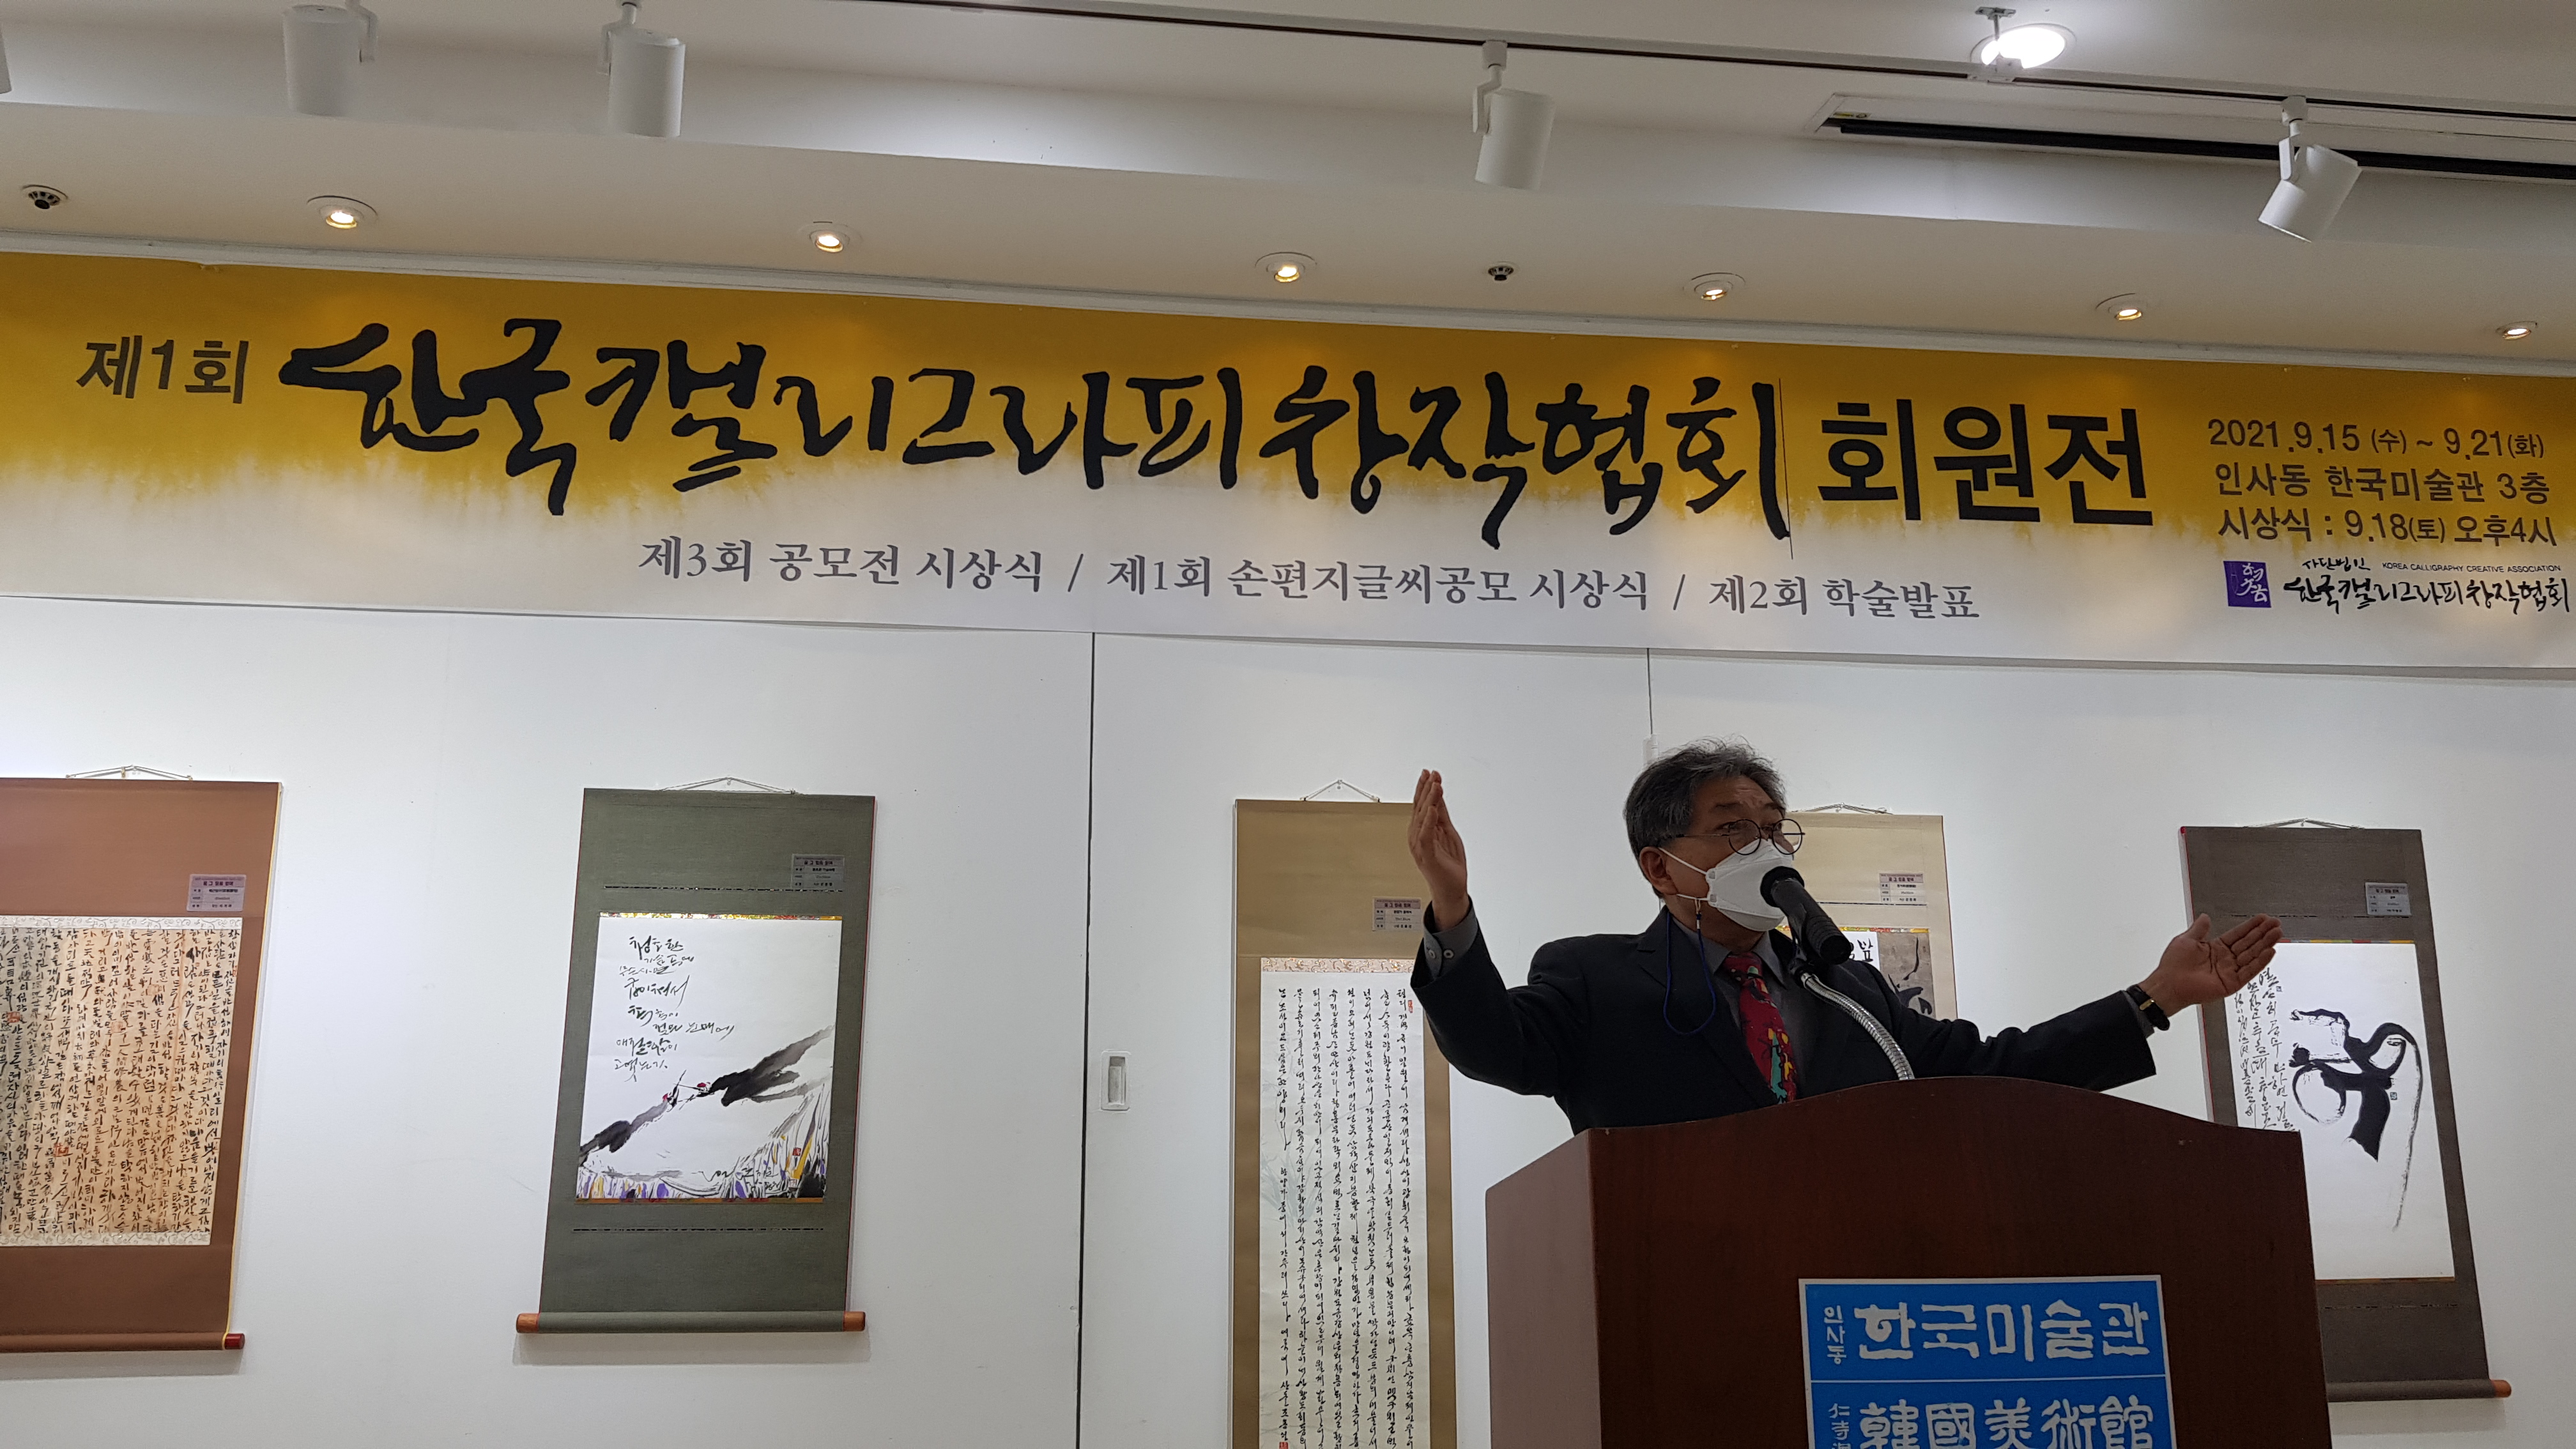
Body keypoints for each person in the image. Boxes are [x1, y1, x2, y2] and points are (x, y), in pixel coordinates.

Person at [1406, 739, 2283, 1131]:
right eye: (1731, 830)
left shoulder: (1844, 989)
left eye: (1773, 829)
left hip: (1851, 1302)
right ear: (1660, 867)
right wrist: (1451, 905)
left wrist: (2156, 999)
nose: (1762, 848)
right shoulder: (1594, 976)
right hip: (1683, 1307)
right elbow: (1496, 1049)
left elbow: (1989, 1071)